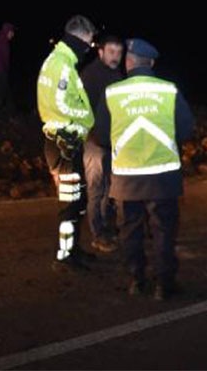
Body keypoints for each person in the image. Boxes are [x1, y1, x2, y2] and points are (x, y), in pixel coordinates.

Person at [98, 38, 194, 299]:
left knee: (131, 231)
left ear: (128, 63)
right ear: (151, 63)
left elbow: (101, 136)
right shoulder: (169, 90)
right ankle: (163, 286)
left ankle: (136, 281)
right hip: (163, 178)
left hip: (126, 179)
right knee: (163, 231)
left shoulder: (113, 93)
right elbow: (186, 129)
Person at [36, 15, 97, 273]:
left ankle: (73, 249)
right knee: (69, 203)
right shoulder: (61, 65)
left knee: (77, 201)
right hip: (64, 143)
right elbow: (61, 104)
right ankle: (63, 257)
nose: (89, 47)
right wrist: (87, 116)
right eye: (89, 42)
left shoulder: (60, 61)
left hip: (67, 142)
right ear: (80, 38)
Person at [79, 34, 124, 253]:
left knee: (110, 189)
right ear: (101, 52)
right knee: (96, 189)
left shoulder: (117, 75)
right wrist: (94, 135)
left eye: (119, 52)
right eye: (111, 52)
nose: (116, 56)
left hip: (111, 142)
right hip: (94, 143)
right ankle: (98, 234)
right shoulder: (90, 75)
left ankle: (107, 227)